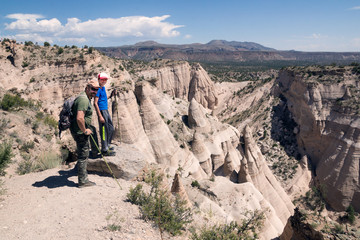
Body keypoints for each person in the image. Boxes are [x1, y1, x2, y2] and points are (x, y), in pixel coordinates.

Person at [70, 79, 100, 188]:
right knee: (83, 155)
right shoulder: (83, 100)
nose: (95, 91)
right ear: (87, 88)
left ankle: (96, 152)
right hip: (80, 131)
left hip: (77, 129)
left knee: (84, 152)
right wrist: (84, 130)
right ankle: (83, 181)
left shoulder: (84, 96)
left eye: (97, 89)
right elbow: (79, 118)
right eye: (93, 89)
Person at [94, 72, 116, 156]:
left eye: (105, 79)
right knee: (104, 130)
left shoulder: (103, 88)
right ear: (99, 79)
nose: (104, 81)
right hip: (102, 111)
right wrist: (100, 116)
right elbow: (95, 103)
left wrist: (111, 95)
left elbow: (103, 98)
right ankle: (104, 150)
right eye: (102, 79)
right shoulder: (98, 89)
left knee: (110, 128)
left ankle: (107, 145)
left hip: (105, 110)